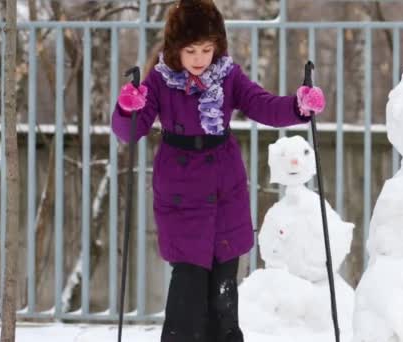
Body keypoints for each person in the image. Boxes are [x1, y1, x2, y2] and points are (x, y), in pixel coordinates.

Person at [110, 1, 326, 341]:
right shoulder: (160, 80)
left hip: (226, 188)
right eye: (191, 50)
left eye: (207, 49)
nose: (199, 58)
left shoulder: (228, 76)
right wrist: (127, 108)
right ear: (175, 49)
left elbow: (262, 104)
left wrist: (298, 106)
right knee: (189, 285)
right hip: (181, 191)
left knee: (225, 286)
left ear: (217, 47)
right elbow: (129, 131)